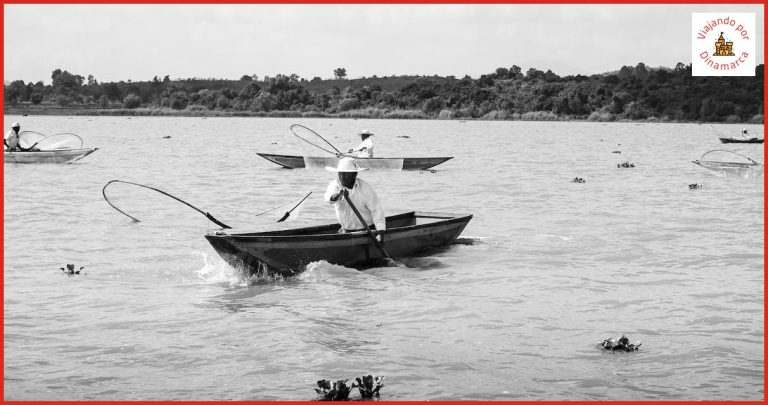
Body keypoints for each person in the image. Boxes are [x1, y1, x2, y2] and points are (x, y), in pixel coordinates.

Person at [324, 157, 386, 241]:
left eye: (346, 173)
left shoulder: (365, 188)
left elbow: (376, 211)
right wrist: (339, 194)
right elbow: (329, 199)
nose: (342, 176)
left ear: (354, 174)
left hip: (367, 232)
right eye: (340, 173)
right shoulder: (334, 185)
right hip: (345, 231)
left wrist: (380, 232)